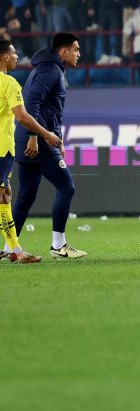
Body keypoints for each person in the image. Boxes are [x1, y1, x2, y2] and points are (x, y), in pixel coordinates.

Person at [11, 33, 84, 259]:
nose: (79, 54)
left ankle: (8, 248)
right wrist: (34, 135)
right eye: (76, 49)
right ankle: (58, 245)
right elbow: (32, 102)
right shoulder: (50, 71)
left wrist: (58, 139)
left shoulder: (48, 69)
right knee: (66, 187)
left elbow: (50, 110)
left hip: (28, 137)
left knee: (26, 195)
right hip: (37, 139)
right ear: (63, 51)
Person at [0, 40, 62, 263]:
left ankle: (15, 250)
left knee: (5, 195)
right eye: (14, 53)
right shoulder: (9, 83)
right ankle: (15, 250)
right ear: (5, 56)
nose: (17, 57)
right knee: (2, 195)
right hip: (1, 149)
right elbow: (22, 117)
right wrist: (46, 134)